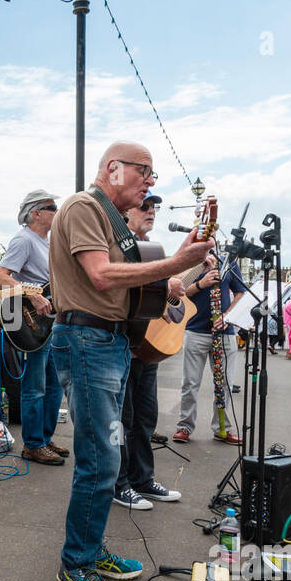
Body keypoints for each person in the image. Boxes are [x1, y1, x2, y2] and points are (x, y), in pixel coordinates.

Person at [47, 142, 212, 581]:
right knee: (99, 462)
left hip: (110, 343)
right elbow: (100, 277)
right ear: (113, 169)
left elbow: (127, 278)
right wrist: (177, 264)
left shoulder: (113, 220)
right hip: (86, 341)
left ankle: (91, 549)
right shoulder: (83, 206)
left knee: (108, 454)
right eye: (144, 171)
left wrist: (166, 280)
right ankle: (74, 567)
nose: (149, 182)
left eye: (152, 175)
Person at [113, 194, 186, 508]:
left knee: (145, 417)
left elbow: (159, 301)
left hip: (146, 344)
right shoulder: (120, 245)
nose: (151, 211)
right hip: (123, 344)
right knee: (122, 419)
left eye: (154, 207)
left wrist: (172, 298)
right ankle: (119, 484)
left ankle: (142, 479)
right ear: (127, 211)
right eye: (144, 206)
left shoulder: (154, 250)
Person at [0, 189, 66, 467]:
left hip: (51, 321)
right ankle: (33, 445)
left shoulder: (49, 243)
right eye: (52, 207)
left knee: (54, 384)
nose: (57, 211)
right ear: (36, 212)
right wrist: (31, 294)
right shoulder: (24, 239)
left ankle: (44, 439)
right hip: (33, 323)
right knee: (35, 385)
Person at [172, 246, 243, 445]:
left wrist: (227, 315)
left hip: (224, 332)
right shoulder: (190, 263)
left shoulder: (229, 263)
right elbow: (181, 292)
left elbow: (240, 293)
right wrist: (201, 284)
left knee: (225, 385)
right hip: (195, 330)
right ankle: (184, 427)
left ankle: (223, 428)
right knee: (190, 383)